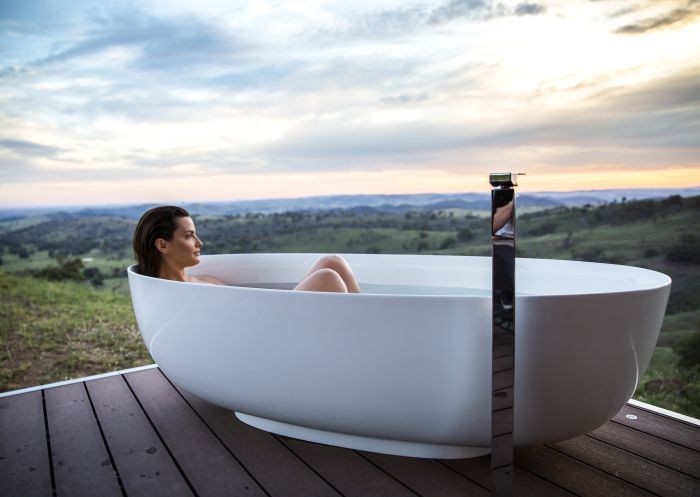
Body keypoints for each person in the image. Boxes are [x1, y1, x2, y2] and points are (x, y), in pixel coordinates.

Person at [132, 206, 361, 293]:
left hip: (270, 319)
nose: (199, 243)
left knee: (332, 262)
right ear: (162, 245)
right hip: (266, 338)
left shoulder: (207, 280)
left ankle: (370, 327)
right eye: (189, 236)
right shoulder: (170, 294)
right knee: (327, 277)